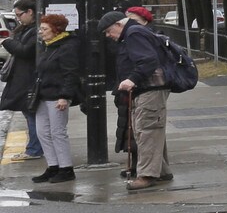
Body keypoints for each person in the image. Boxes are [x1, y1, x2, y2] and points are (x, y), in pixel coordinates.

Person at [100, 10, 173, 190]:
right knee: (151, 129)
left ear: (118, 24)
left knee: (146, 130)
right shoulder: (134, 32)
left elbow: (148, 61)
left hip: (150, 88)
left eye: (109, 31)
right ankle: (161, 171)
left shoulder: (134, 34)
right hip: (148, 89)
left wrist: (132, 79)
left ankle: (147, 175)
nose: (109, 36)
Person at [30, 14, 83, 182]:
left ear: (56, 30)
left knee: (57, 132)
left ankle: (66, 168)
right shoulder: (49, 46)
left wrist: (65, 96)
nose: (41, 32)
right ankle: (53, 166)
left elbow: (70, 74)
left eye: (45, 29)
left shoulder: (66, 47)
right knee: (42, 132)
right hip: (43, 95)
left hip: (57, 96)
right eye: (41, 28)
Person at [1, 0, 38, 156]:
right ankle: (33, 148)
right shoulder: (26, 28)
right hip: (23, 77)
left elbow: (25, 51)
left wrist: (7, 42)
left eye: (19, 15)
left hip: (28, 78)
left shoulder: (35, 31)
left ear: (30, 12)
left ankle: (34, 149)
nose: (18, 18)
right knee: (29, 114)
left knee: (31, 115)